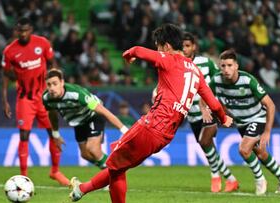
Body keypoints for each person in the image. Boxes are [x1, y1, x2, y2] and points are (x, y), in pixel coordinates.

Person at [68, 24, 232, 203]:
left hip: (151, 126)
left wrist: (128, 53)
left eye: (158, 46)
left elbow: (139, 50)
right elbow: (215, 105)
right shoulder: (196, 71)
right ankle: (82, 189)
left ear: (167, 46)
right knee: (118, 165)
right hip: (166, 136)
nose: (158, 50)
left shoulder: (170, 60)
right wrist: (224, 118)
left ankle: (83, 190)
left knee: (115, 166)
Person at [205, 49, 280, 195]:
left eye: (230, 65)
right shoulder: (216, 81)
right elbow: (204, 95)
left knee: (244, 149)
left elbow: (270, 105)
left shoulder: (248, 80)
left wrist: (267, 132)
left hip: (257, 118)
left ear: (236, 66)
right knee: (260, 153)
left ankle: (260, 180)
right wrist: (205, 109)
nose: (226, 69)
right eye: (223, 66)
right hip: (241, 122)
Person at [1, 17, 69, 186]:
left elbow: (53, 65)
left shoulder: (43, 44)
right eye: (20, 31)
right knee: (24, 135)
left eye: (26, 30)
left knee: (53, 133)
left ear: (31, 29)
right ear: (17, 31)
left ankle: (55, 171)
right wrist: (5, 101)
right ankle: (24, 176)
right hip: (25, 98)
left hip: (44, 97)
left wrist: (59, 87)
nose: (23, 34)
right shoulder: (10, 51)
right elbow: (5, 75)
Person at [182, 32, 238, 193]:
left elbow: (219, 81)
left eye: (187, 46)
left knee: (204, 141)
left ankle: (215, 176)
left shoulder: (206, 63)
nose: (185, 49)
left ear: (194, 47)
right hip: (191, 114)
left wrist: (219, 104)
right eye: (183, 46)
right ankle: (231, 179)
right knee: (207, 147)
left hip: (207, 110)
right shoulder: (178, 65)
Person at [43, 69, 129, 170]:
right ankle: (109, 169)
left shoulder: (77, 94)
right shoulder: (46, 98)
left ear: (62, 82)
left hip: (93, 116)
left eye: (55, 83)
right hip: (78, 122)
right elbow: (52, 114)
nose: (52, 88)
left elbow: (104, 111)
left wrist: (124, 130)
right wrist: (56, 134)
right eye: (49, 85)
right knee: (85, 154)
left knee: (92, 149)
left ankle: (113, 174)